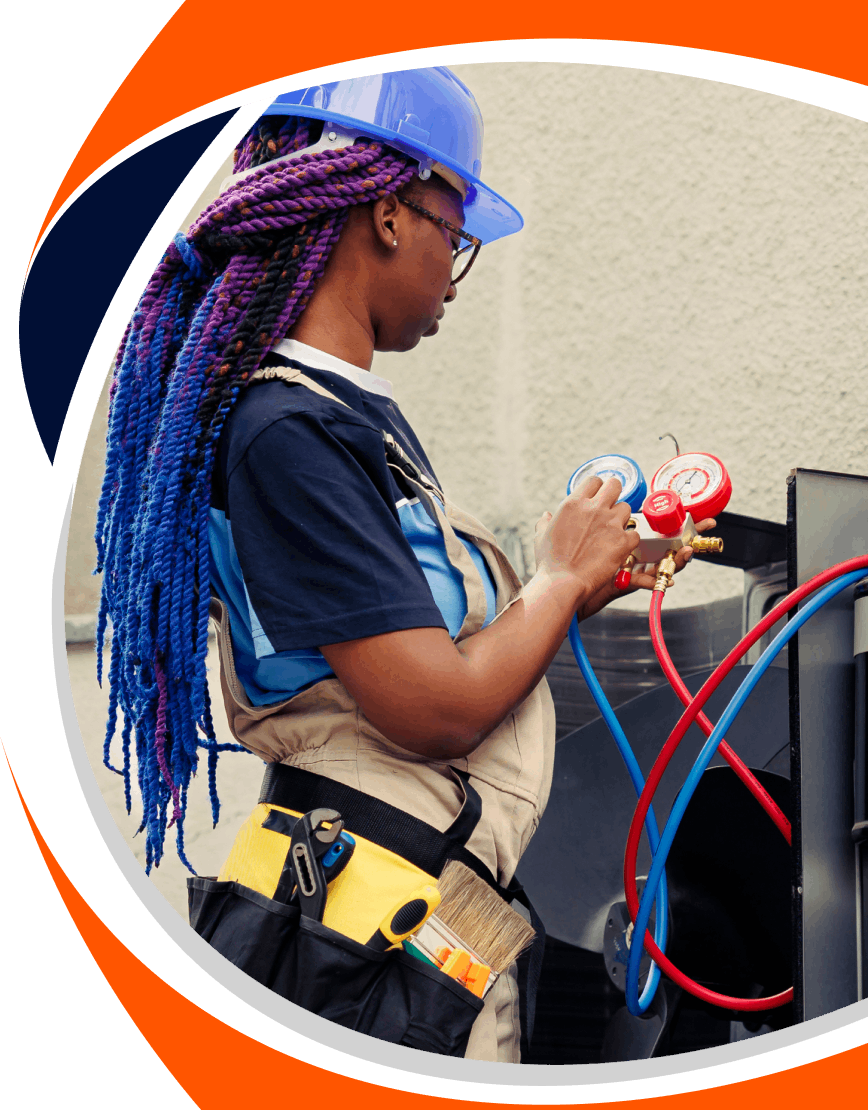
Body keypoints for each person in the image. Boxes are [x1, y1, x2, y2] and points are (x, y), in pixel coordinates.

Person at [95, 68, 704, 1063]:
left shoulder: (342, 421)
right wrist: (550, 582)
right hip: (364, 949)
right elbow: (429, 709)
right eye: (452, 234)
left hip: (406, 919)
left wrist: (576, 586)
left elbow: (420, 656)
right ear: (386, 214)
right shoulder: (283, 430)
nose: (454, 274)